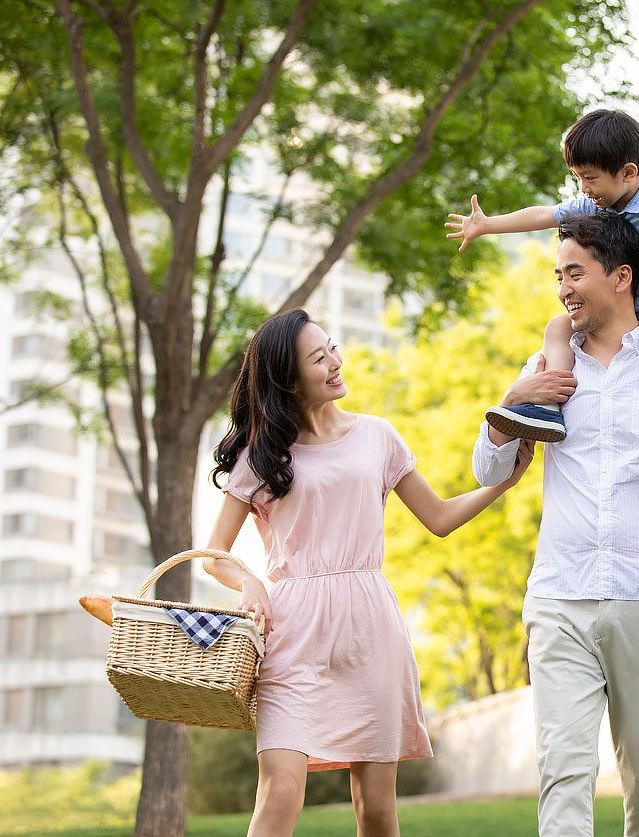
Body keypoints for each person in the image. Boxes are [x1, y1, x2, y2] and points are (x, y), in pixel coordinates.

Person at [203, 308, 533, 837]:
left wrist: (501, 485)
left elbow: (439, 517)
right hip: (291, 633)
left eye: (331, 347)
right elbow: (216, 552)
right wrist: (250, 582)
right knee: (279, 792)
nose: (335, 362)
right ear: (288, 380)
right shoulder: (259, 453)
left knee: (376, 810)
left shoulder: (377, 436)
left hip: (369, 629)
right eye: (318, 358)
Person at [472, 211, 639, 836]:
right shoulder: (550, 363)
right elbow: (489, 469)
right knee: (562, 769)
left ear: (621, 276)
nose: (563, 286)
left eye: (575, 272)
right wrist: (511, 401)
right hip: (561, 594)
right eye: (558, 274)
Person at [446, 108, 639, 475]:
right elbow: (545, 214)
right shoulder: (592, 205)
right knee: (557, 327)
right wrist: (489, 225)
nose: (583, 190)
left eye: (589, 179)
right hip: (616, 314)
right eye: (577, 178)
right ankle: (550, 409)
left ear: (628, 173)